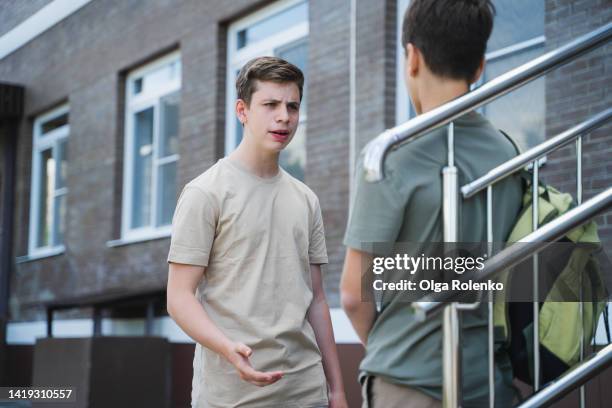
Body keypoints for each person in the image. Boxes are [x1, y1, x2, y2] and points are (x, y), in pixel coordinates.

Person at [340, 1, 523, 407]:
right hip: (486, 382)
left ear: (412, 57)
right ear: (479, 67)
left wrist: (392, 348)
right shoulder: (511, 155)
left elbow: (354, 294)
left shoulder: (388, 156)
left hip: (407, 382)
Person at [166, 56, 347, 408]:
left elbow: (318, 300)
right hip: (231, 395)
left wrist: (336, 389)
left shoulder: (306, 199)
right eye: (271, 105)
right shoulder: (205, 193)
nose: (284, 116)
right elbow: (179, 297)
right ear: (242, 110)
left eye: (292, 106)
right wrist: (226, 348)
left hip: (305, 392)